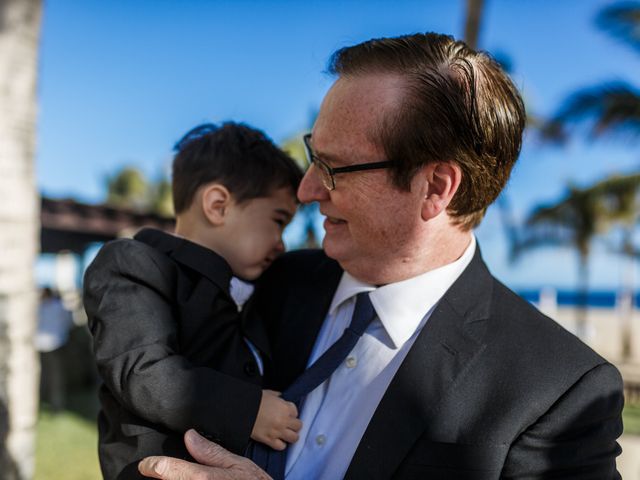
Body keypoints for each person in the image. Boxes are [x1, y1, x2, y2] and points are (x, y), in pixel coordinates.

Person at [140, 33, 624, 479]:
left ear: (435, 187)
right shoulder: (277, 281)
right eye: (313, 155)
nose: (308, 190)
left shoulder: (558, 391)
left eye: (332, 167)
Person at [83, 122, 304, 479]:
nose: (282, 243)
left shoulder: (254, 289)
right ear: (218, 205)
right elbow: (142, 370)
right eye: (278, 221)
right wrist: (248, 411)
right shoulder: (135, 264)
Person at [35, 287, 74, 412]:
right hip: (55, 344)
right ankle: (55, 405)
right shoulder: (58, 307)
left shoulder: (40, 307)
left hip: (46, 345)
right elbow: (68, 323)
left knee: (45, 376)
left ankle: (48, 403)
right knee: (56, 377)